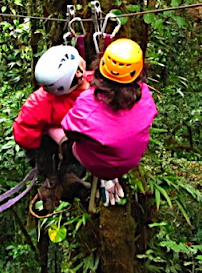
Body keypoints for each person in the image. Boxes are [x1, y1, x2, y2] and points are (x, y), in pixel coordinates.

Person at [49, 38, 158, 206]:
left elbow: (70, 131)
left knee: (53, 130)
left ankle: (93, 175)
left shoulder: (88, 103)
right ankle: (108, 177)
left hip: (97, 162)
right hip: (129, 159)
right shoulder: (145, 94)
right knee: (108, 138)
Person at [13, 45, 93, 213]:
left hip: (70, 139)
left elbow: (23, 133)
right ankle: (61, 181)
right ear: (78, 73)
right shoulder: (96, 89)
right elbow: (25, 134)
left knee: (71, 157)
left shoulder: (40, 102)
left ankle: (65, 181)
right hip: (58, 143)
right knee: (68, 155)